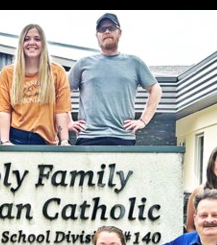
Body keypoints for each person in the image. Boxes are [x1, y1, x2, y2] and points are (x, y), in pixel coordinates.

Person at [68, 13, 162, 146]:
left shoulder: (134, 62)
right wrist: (68, 121)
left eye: (111, 28)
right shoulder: (83, 63)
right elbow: (62, 91)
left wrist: (143, 121)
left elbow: (155, 89)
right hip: (88, 138)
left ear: (119, 32)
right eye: (101, 29)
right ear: (97, 36)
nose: (106, 31)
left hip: (123, 137)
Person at [0, 24, 71, 146]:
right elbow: (4, 110)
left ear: (43, 44)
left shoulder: (57, 72)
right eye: (27, 39)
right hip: (16, 136)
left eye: (37, 39)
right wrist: (5, 141)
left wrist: (65, 141)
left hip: (45, 140)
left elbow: (61, 110)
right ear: (21, 44)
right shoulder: (8, 73)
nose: (31, 42)